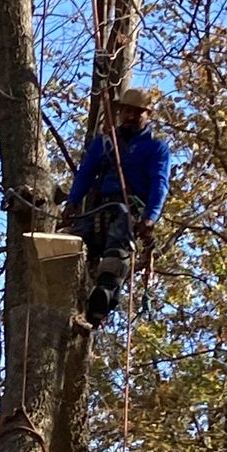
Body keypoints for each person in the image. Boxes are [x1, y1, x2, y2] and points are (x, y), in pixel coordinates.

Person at [61, 88, 171, 329]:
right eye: (127, 111)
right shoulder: (105, 143)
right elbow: (86, 174)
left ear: (147, 115)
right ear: (120, 112)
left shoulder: (155, 148)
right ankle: (62, 290)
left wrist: (151, 217)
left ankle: (104, 295)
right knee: (71, 242)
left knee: (118, 242)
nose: (131, 116)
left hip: (129, 208)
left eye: (137, 112)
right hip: (99, 207)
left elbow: (159, 184)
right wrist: (71, 203)